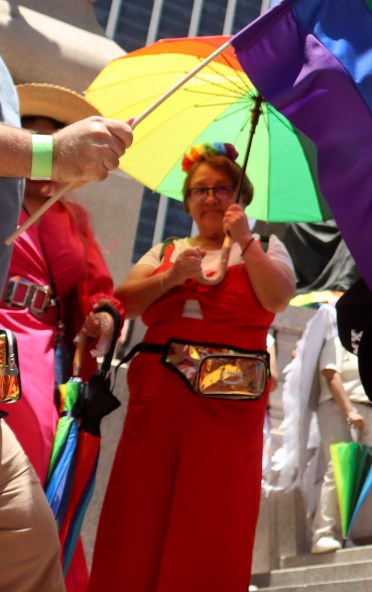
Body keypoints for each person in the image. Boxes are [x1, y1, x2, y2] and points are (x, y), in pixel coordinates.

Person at [0, 0, 133, 592]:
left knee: (32, 535)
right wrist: (51, 154)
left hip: (34, 378)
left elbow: (95, 289)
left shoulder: (70, 219)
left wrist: (103, 317)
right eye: (34, 131)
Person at [89, 142, 296, 592]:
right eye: (199, 190)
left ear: (241, 197)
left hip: (229, 407)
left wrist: (244, 242)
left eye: (222, 188)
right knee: (140, 505)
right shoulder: (166, 249)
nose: (210, 198)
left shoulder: (266, 245)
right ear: (186, 201)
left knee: (215, 514)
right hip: (159, 401)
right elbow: (122, 303)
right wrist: (169, 277)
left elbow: (278, 298)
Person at [310, 322, 372, 553]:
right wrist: (349, 410)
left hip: (368, 410)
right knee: (337, 468)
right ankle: (323, 532)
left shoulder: (367, 349)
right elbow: (331, 375)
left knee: (360, 475)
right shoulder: (336, 342)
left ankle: (348, 532)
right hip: (338, 409)